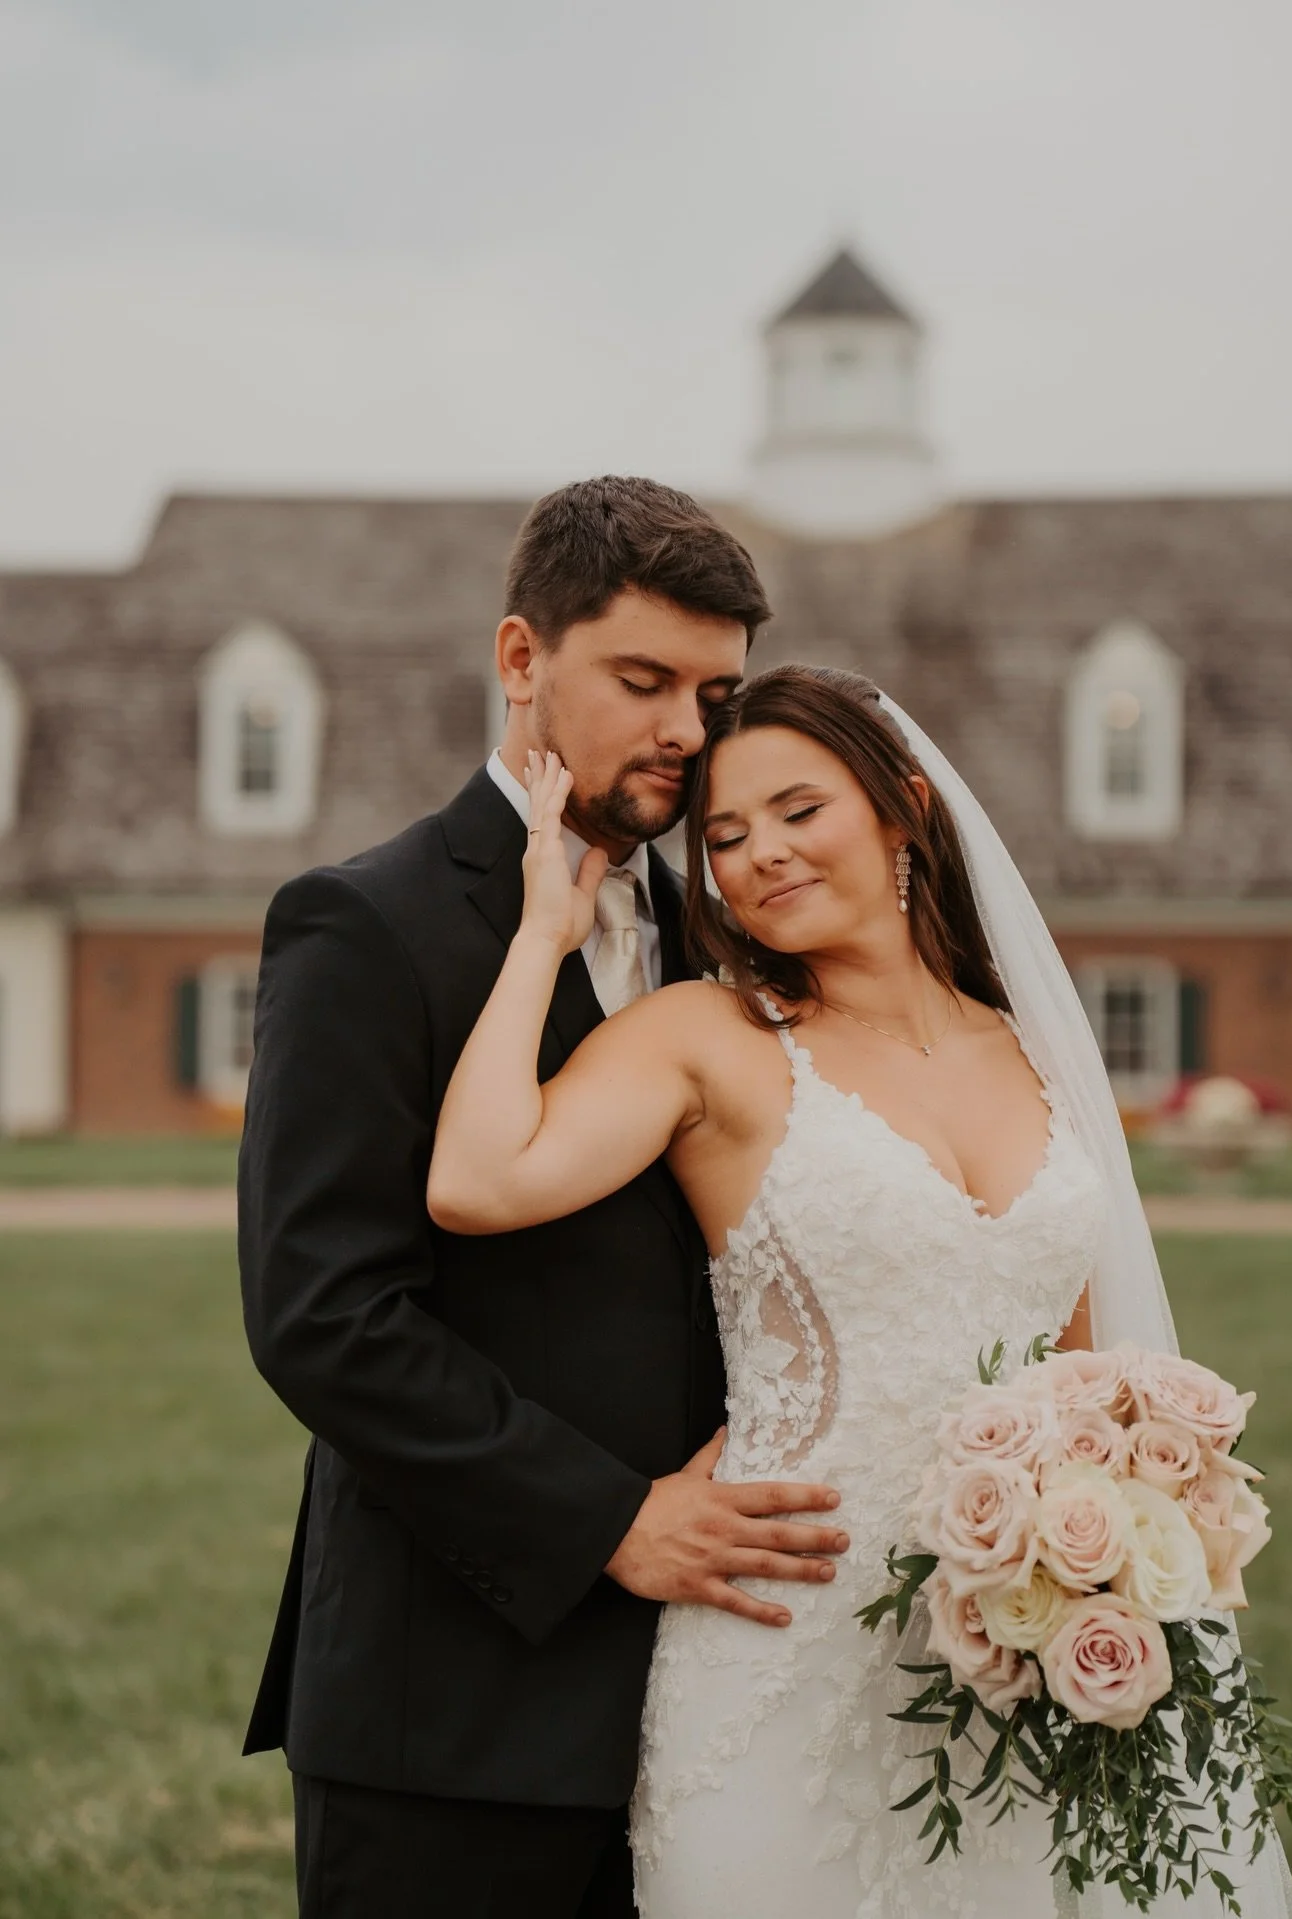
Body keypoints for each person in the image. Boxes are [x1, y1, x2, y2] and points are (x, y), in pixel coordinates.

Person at [428, 665, 1292, 1919]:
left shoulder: (1036, 1048)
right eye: (726, 836)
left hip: (1026, 1635)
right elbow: (475, 1179)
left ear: (905, 808)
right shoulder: (709, 1036)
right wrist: (538, 939)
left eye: (800, 810)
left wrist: (1107, 1559)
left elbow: (1086, 1368)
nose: (761, 855)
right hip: (785, 1642)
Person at [238, 479, 850, 1919]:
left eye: (715, 693)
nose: (688, 730)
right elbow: (324, 1316)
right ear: (522, 657)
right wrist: (610, 1519)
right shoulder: (362, 922)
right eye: (644, 681)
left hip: (720, 1704)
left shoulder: (730, 930)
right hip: (450, 1714)